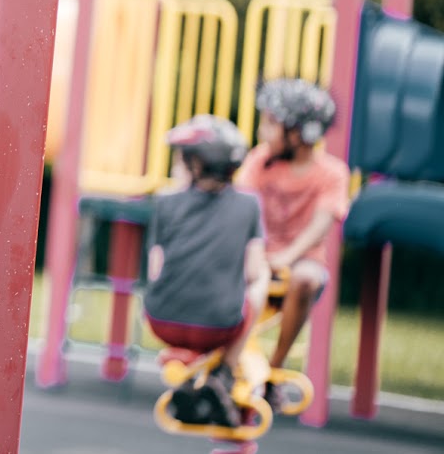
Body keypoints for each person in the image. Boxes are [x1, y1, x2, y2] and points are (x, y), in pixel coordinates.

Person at [145, 115, 270, 428]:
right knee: (262, 278)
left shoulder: (165, 203)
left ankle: (191, 379)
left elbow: (155, 269)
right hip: (219, 327)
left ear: (197, 164)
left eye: (181, 160)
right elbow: (253, 270)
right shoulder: (249, 205)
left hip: (160, 321)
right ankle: (225, 370)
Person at [236, 76, 346, 409]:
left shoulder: (331, 173)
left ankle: (275, 368)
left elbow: (321, 225)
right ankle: (225, 360)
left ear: (300, 134)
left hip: (298, 260)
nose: (261, 132)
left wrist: (286, 256)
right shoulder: (260, 161)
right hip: (258, 255)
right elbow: (241, 206)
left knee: (307, 277)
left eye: (270, 124)